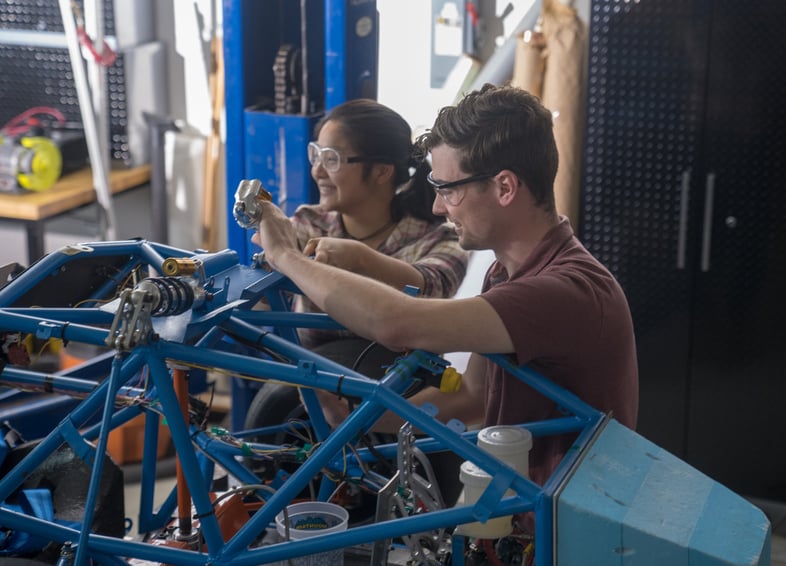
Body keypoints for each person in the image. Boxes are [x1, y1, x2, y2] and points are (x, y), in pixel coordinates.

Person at [251, 83, 639, 491]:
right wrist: (350, 414)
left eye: (449, 189)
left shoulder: (564, 290)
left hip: (564, 530)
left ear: (505, 188)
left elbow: (397, 322)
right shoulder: (507, 272)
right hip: (521, 511)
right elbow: (470, 396)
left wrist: (287, 257)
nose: (437, 206)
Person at [243, 98, 469, 432]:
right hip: (313, 399)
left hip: (405, 407)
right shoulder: (308, 224)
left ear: (382, 171)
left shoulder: (438, 240)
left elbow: (431, 283)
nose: (318, 170)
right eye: (316, 155)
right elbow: (260, 293)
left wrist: (360, 259)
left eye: (331, 159)